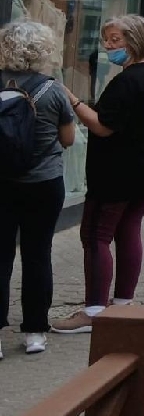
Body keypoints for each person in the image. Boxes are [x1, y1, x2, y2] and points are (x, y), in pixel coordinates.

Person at [53, 14, 144, 335]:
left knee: (95, 236)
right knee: (129, 230)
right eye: (107, 39)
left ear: (135, 40)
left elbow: (103, 126)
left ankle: (93, 311)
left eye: (115, 40)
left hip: (118, 173)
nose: (108, 46)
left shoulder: (127, 81)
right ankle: (122, 302)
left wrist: (71, 100)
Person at [0, 21, 76, 355]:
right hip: (44, 183)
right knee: (37, 254)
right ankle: (34, 332)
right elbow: (68, 139)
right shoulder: (54, 90)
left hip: (2, 184)